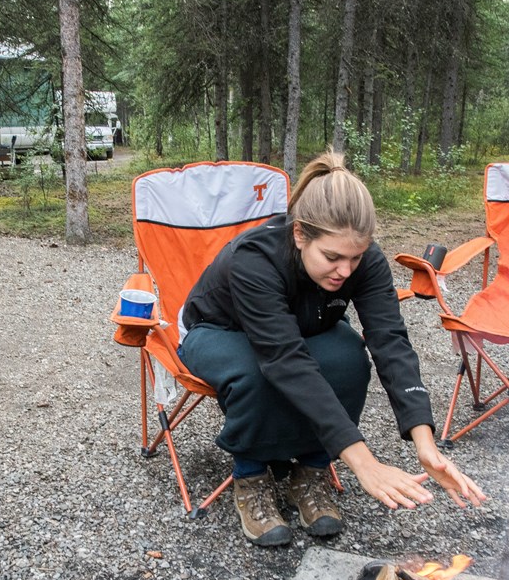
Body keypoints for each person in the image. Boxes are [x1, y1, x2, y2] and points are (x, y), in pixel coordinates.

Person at [178, 151, 486, 547]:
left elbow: (390, 340)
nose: (345, 270)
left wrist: (425, 442)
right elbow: (285, 360)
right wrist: (364, 462)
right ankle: (251, 474)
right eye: (332, 257)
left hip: (299, 331)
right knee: (256, 372)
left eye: (355, 257)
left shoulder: (365, 262)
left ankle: (311, 470)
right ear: (299, 234)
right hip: (216, 330)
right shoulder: (254, 259)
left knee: (348, 359)